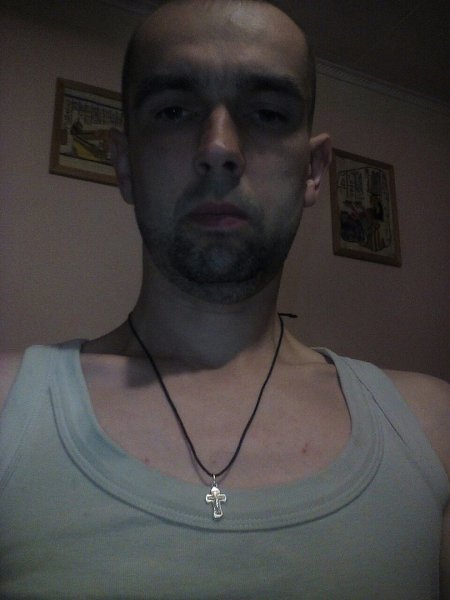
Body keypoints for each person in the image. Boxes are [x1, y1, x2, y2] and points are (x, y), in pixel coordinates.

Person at [1, 1, 449, 598]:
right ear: (125, 163)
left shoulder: (433, 428)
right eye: (174, 110)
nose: (218, 147)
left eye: (266, 113)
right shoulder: (8, 408)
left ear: (314, 171)